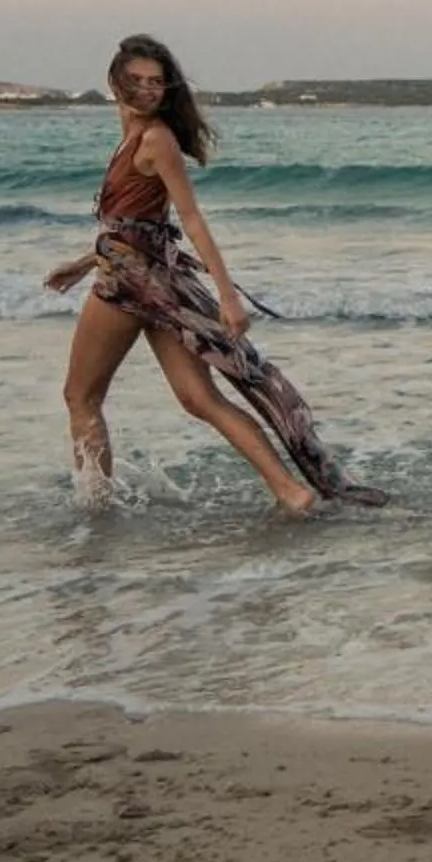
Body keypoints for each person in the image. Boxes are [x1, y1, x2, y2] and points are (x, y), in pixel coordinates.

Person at [46, 34, 388, 515]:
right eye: (137, 80)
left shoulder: (156, 139)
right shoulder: (131, 137)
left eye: (156, 83)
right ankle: (292, 493)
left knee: (80, 396)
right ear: (115, 81)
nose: (146, 90)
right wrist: (84, 263)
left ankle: (95, 509)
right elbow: (137, 226)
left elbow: (190, 218)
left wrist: (227, 296)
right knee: (198, 399)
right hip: (149, 283)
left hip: (129, 287)